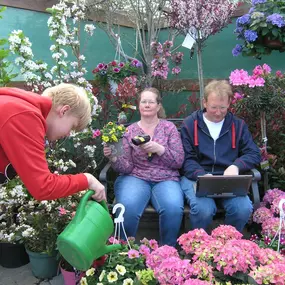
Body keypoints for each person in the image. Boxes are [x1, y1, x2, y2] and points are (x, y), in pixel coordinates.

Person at [103, 87, 184, 246]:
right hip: (136, 177)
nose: (147, 105)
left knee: (173, 208)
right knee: (128, 208)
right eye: (143, 101)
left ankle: (167, 253)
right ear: (139, 105)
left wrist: (160, 149)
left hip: (166, 178)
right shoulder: (129, 131)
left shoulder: (169, 129)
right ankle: (124, 252)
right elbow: (125, 168)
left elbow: (178, 161)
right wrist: (113, 157)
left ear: (158, 106)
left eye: (151, 102)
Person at [0, 83, 105, 201]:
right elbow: (43, 187)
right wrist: (87, 179)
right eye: (72, 127)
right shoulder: (25, 116)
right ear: (64, 111)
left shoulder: (15, 105)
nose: (68, 134)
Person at [180, 80, 261, 232]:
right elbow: (186, 159)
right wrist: (202, 175)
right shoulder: (190, 124)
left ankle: (227, 248)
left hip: (228, 179)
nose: (218, 112)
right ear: (204, 102)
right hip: (196, 177)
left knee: (242, 208)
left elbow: (253, 153)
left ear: (229, 103)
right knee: (204, 209)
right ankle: (198, 248)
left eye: (222, 108)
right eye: (213, 107)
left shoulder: (238, 125)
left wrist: (236, 166)